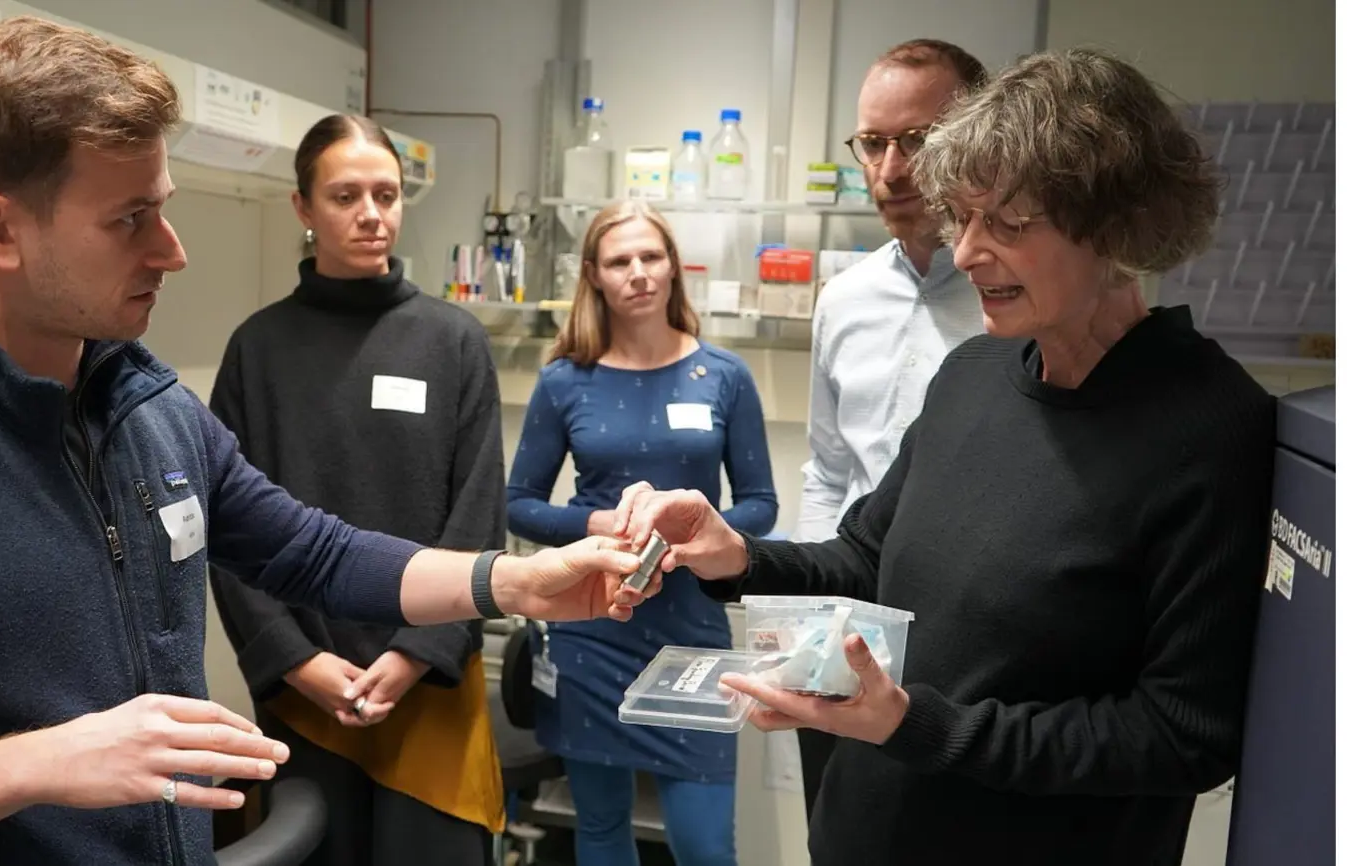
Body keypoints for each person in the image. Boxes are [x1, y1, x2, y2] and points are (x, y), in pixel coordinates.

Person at [0, 18, 653, 866]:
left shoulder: (151, 408)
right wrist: (37, 764)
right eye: (131, 218)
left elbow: (315, 554)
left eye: (164, 208)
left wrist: (518, 581)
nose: (171, 252)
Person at [607, 47, 1276, 866]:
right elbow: (866, 556)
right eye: (963, 219)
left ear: (1115, 229)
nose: (965, 254)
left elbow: (1183, 736)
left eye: (1009, 224)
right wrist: (735, 555)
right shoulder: (976, 375)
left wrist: (917, 725)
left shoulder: (1209, 429)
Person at [207, 113, 506, 866]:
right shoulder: (258, 349)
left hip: (431, 685)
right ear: (304, 209)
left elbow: (478, 514)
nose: (372, 214)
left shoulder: (454, 341)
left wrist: (415, 653)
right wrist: (296, 662)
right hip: (309, 695)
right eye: (345, 196)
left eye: (387, 194)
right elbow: (224, 527)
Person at [506, 200, 778, 866]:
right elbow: (518, 504)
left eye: (650, 256)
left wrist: (696, 537)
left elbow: (761, 505)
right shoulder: (565, 380)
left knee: (705, 844)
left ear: (673, 268)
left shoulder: (723, 376)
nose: (638, 273)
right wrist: (596, 522)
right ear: (595, 276)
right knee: (599, 828)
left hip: (693, 632)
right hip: (593, 629)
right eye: (620, 260)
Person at [790, 37, 988, 815]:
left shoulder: (1011, 298)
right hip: (850, 625)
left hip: (967, 635)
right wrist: (810, 617)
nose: (892, 170)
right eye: (873, 143)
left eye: (919, 140)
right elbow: (828, 469)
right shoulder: (843, 299)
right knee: (837, 830)